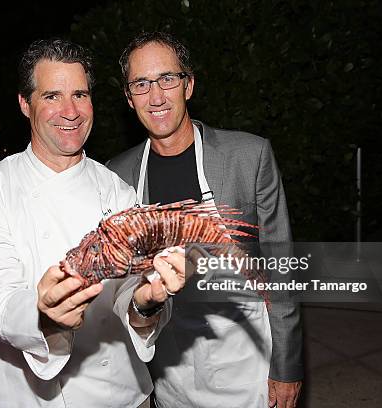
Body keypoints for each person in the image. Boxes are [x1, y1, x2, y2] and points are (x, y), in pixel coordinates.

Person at [0, 38, 186, 408]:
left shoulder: (117, 192)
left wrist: (146, 302)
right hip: (32, 398)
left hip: (123, 395)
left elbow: (135, 294)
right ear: (24, 104)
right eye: (51, 96)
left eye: (80, 94)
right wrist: (43, 313)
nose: (71, 111)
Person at [107, 32, 303, 408]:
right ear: (129, 98)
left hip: (248, 362)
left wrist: (287, 365)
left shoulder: (248, 156)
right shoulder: (118, 176)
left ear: (188, 85)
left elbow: (282, 268)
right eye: (141, 84)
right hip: (171, 365)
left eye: (168, 78)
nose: (156, 95)